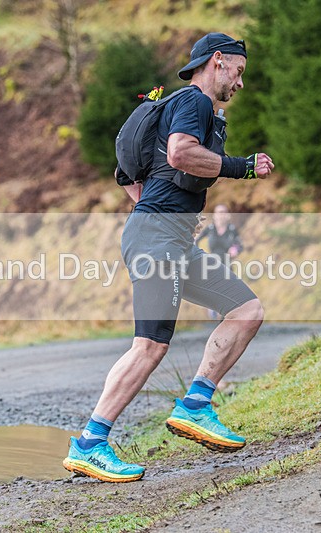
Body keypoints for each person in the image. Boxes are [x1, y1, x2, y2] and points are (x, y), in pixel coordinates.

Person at [62, 32, 274, 483]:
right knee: (151, 346)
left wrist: (159, 214)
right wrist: (243, 166)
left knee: (246, 310)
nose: (240, 83)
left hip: (169, 239)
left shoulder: (194, 109)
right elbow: (180, 154)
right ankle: (89, 444)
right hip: (158, 241)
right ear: (217, 62)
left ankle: (196, 404)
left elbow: (126, 175)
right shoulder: (194, 102)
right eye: (238, 72)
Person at [195, 204, 243, 319]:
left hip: (227, 263)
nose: (221, 215)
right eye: (218, 212)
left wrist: (235, 249)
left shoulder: (232, 230)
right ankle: (212, 307)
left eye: (223, 212)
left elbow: (239, 244)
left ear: (228, 215)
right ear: (214, 215)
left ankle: (225, 312)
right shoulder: (210, 229)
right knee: (213, 287)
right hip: (212, 264)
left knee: (228, 288)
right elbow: (196, 241)